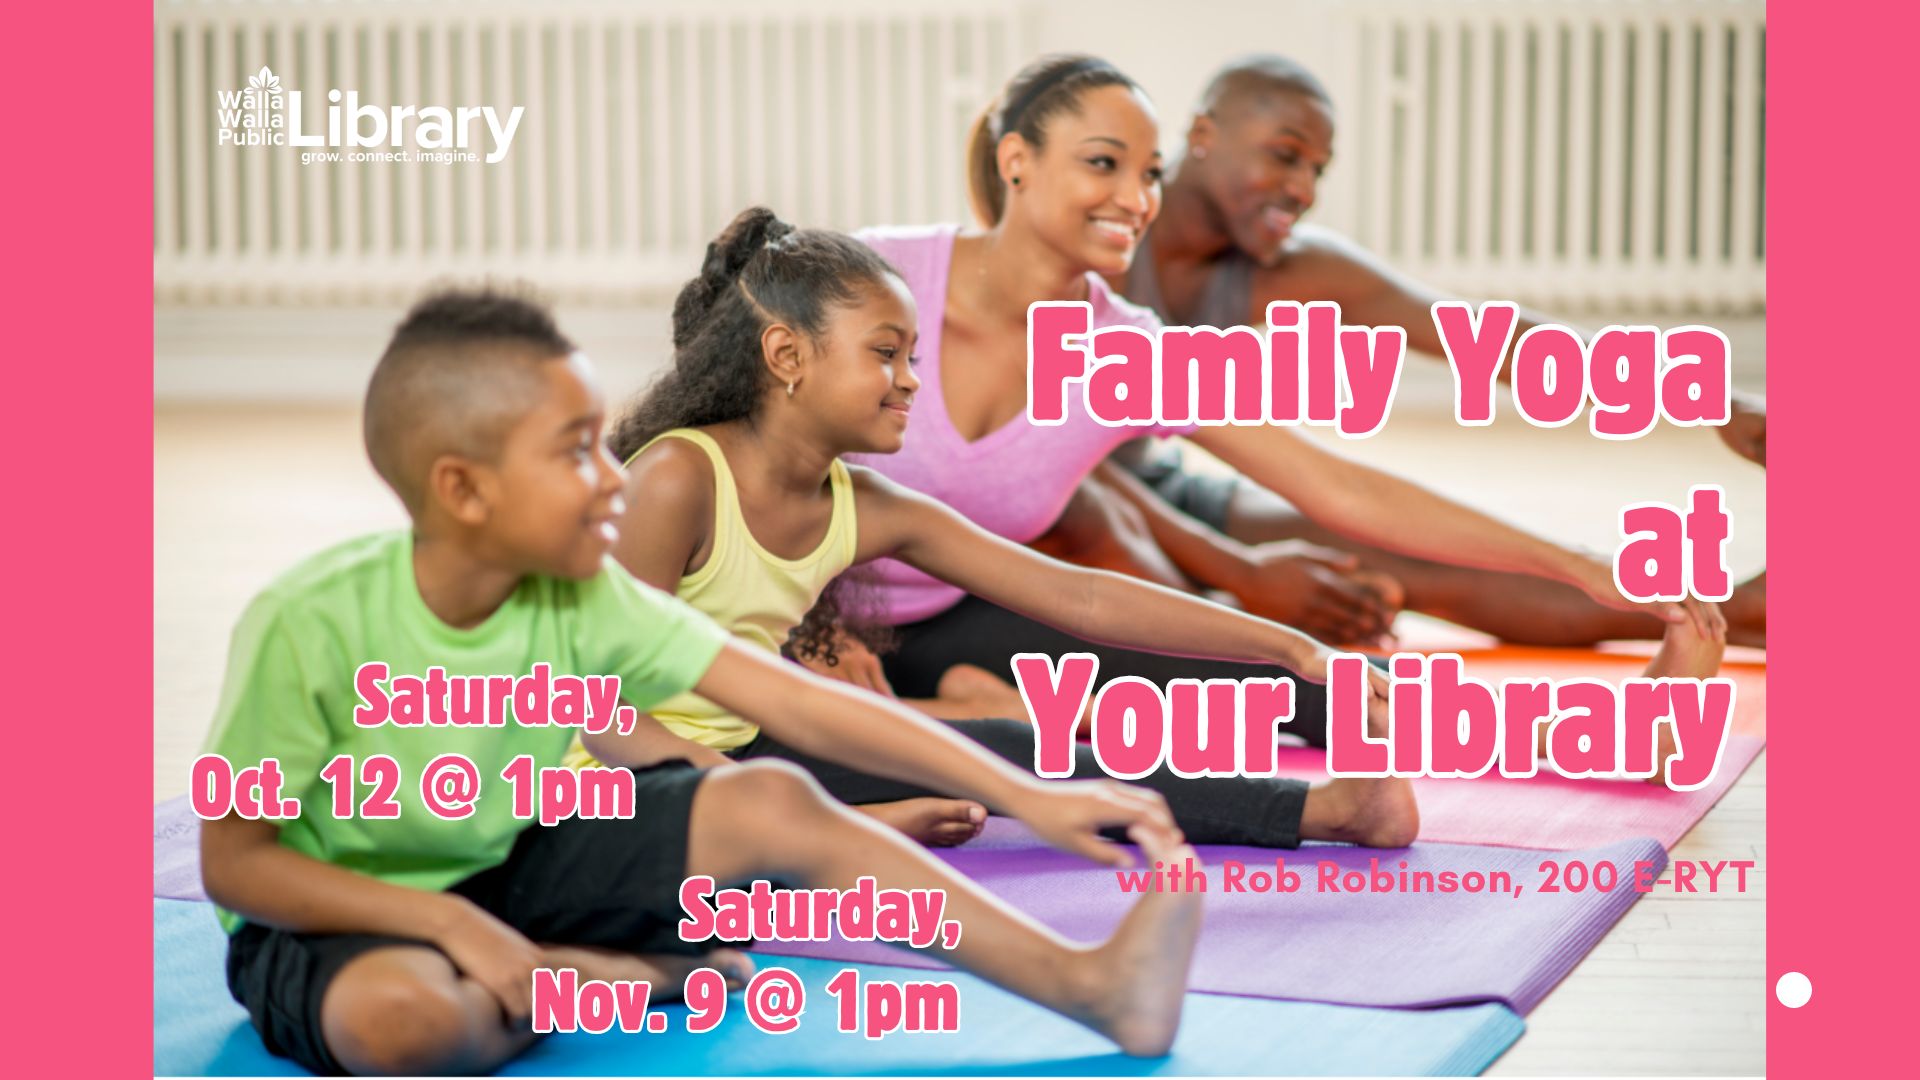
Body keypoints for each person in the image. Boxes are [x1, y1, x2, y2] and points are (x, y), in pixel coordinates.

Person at [197, 288, 1212, 1075]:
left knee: (770, 795)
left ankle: (1092, 986)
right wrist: (452, 925)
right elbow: (236, 865)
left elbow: (798, 706)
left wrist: (1029, 793)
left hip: (508, 861)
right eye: (575, 451)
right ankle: (615, 978)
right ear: (463, 489)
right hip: (342, 916)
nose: (612, 474)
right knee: (406, 1026)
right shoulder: (307, 624)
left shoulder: (579, 595)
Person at [816, 53, 1717, 718]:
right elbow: (734, 456)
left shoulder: (1128, 351)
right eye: (1103, 164)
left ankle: (1607, 729)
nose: (1136, 198)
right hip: (779, 613)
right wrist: (808, 629)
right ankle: (953, 718)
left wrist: (1578, 564)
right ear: (1017, 161)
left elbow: (1342, 488)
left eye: (1149, 174)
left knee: (1292, 686)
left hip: (948, 617)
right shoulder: (878, 273)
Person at [583, 206, 1420, 853]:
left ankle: (1327, 809)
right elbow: (597, 704)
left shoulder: (864, 503)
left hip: (742, 750)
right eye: (886, 353)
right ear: (787, 355)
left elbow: (1079, 597)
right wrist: (757, 803)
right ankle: (846, 834)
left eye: (914, 355)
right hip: (600, 774)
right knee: (831, 807)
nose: (912, 381)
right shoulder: (678, 480)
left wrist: (1288, 646)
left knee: (1010, 746)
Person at [1059, 53, 1765, 647]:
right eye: (1283, 156)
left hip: (1166, 490)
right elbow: (1054, 477)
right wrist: (1243, 571)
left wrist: (1707, 398)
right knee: (1143, 572)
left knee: (1414, 562)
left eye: (1317, 170)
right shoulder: (1088, 245)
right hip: (1067, 508)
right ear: (1205, 135)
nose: (1302, 189)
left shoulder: (1285, 268)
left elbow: (1479, 334)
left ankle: (1743, 609)